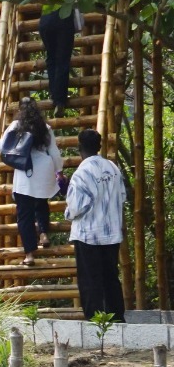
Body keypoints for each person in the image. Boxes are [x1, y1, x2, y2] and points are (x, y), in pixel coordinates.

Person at [0, 97, 62, 266]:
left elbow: (2, 146)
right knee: (41, 203)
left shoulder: (16, 126)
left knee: (25, 216)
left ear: (20, 109)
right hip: (44, 172)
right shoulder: (45, 128)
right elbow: (55, 153)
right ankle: (43, 234)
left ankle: (29, 255)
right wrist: (59, 171)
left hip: (25, 174)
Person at [65, 128, 126, 322]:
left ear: (79, 147)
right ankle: (117, 318)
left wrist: (67, 213)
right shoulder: (113, 169)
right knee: (110, 278)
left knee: (90, 280)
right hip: (111, 233)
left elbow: (76, 207)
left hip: (88, 234)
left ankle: (95, 321)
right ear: (99, 146)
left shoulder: (81, 173)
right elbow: (122, 196)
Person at [37, 7, 77, 112]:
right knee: (62, 60)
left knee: (51, 59)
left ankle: (54, 94)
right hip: (63, 21)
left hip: (45, 22)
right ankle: (59, 100)